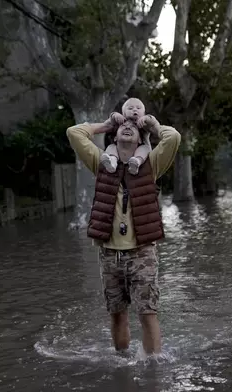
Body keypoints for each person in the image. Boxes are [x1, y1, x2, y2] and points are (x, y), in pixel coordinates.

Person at [66, 111, 181, 355]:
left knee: (147, 313)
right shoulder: (101, 163)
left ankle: (152, 369)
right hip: (109, 255)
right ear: (115, 136)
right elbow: (74, 133)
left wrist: (153, 124)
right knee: (117, 315)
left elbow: (173, 138)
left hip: (142, 253)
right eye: (122, 126)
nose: (127, 127)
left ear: (140, 138)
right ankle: (123, 364)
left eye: (133, 126)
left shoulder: (152, 164)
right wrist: (105, 125)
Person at [101, 98, 152, 175]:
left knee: (145, 148)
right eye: (130, 108)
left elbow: (154, 124)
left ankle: (136, 162)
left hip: (139, 161)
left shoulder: (143, 125)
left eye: (138, 108)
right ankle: (112, 161)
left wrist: (147, 118)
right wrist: (114, 115)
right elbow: (106, 125)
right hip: (114, 167)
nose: (135, 110)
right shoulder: (119, 121)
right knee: (111, 147)